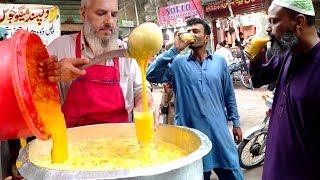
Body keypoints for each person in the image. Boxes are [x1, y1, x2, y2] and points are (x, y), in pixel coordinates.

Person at [147, 18, 243, 180]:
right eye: (189, 31)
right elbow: (151, 74)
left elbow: (229, 95)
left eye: (195, 31)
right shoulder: (178, 63)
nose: (191, 34)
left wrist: (236, 123)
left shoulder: (219, 63)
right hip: (191, 136)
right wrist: (174, 50)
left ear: (206, 38)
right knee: (196, 176)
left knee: (233, 174)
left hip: (219, 132)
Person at [38, 0, 154, 127]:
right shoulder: (59, 49)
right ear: (83, 13)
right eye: (101, 13)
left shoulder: (126, 53)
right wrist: (50, 78)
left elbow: (140, 89)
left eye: (114, 15)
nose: (109, 22)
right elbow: (33, 96)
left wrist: (145, 102)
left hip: (121, 142)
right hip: (71, 143)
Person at [249, 0, 320, 179]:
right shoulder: (288, 53)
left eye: (274, 21)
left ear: (299, 22)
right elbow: (258, 79)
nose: (268, 29)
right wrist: (256, 59)